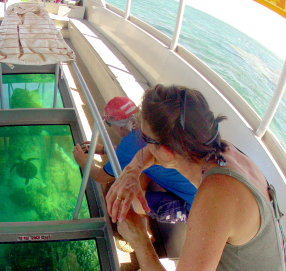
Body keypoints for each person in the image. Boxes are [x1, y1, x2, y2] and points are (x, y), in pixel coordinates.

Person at [106, 84, 285, 270]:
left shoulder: (217, 196)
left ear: (167, 152)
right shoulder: (220, 150)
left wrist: (139, 238)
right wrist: (132, 170)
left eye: (145, 138)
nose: (142, 143)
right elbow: (154, 152)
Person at [72, 96, 196, 224]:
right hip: (195, 186)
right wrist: (105, 149)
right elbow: (133, 152)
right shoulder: (151, 127)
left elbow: (101, 177)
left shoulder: (130, 143)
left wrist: (82, 161)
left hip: (192, 207)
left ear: (119, 127)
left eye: (109, 124)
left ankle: (143, 232)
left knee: (118, 203)